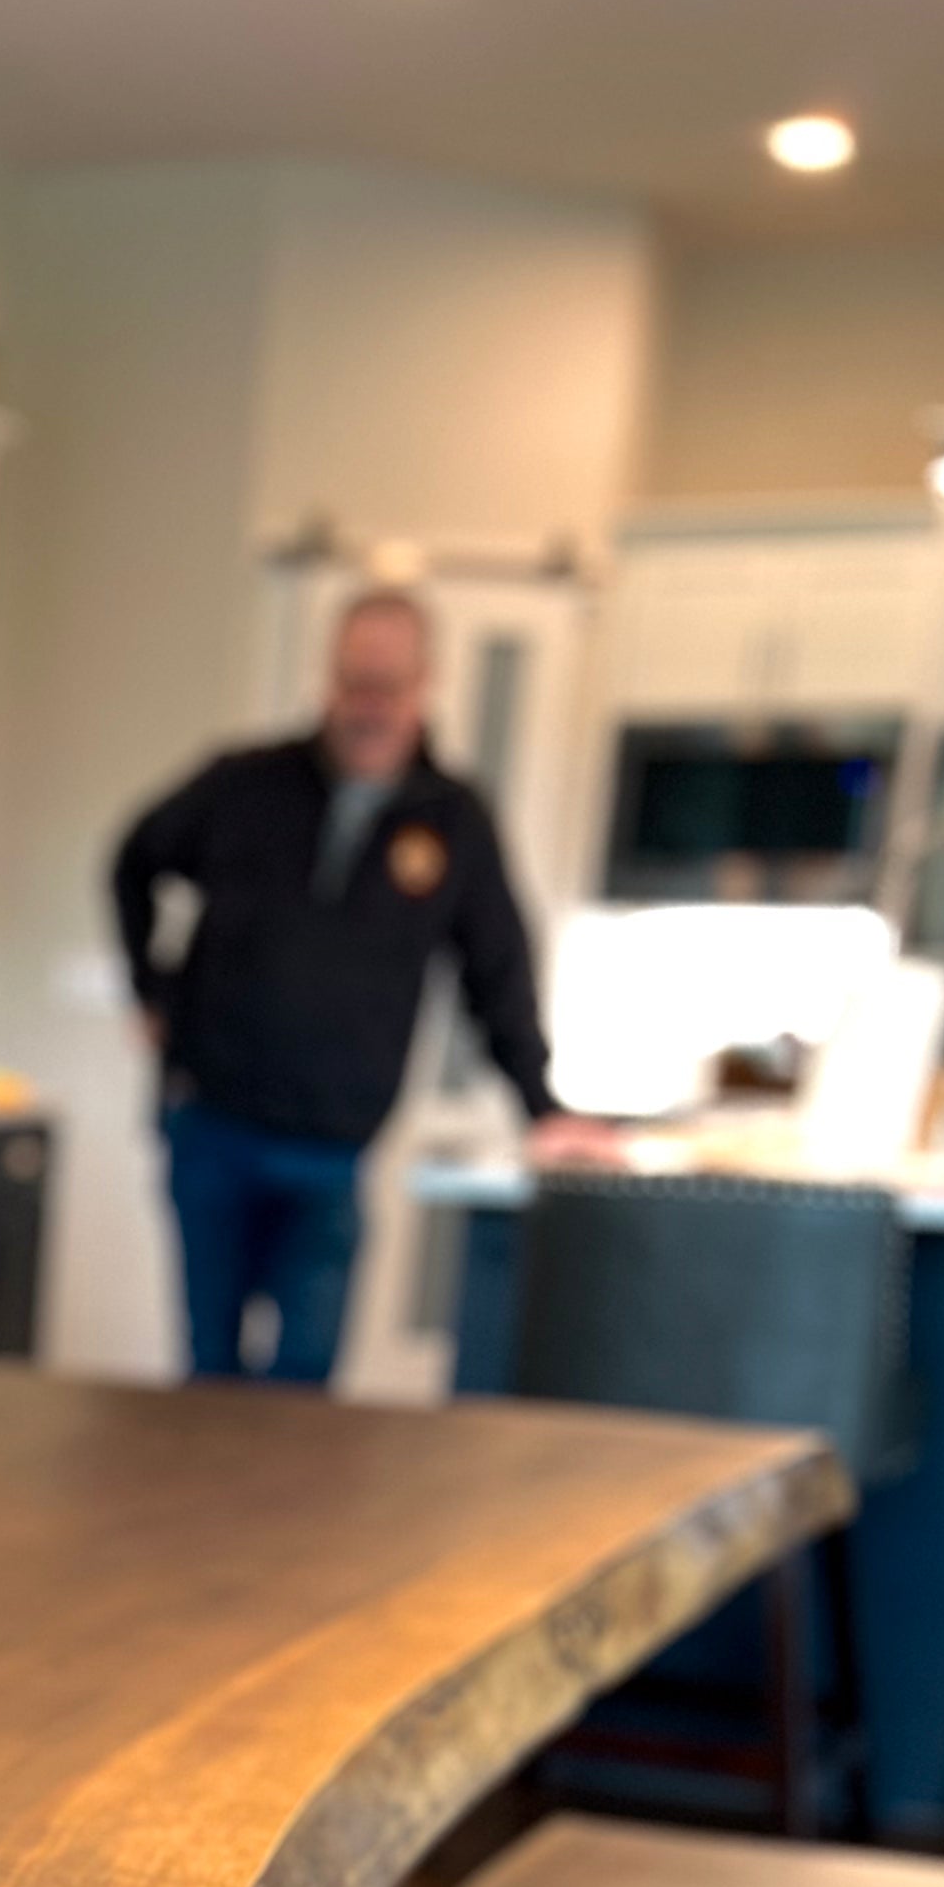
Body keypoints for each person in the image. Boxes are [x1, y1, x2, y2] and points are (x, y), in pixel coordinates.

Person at [110, 586, 587, 1386]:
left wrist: (542, 1106)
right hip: (212, 1125)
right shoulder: (244, 784)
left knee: (303, 1382)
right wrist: (147, 988)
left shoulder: (453, 819)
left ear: (424, 687)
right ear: (329, 681)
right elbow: (132, 860)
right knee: (207, 1373)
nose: (367, 707)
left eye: (387, 688)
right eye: (352, 684)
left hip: (334, 1147)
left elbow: (497, 969)